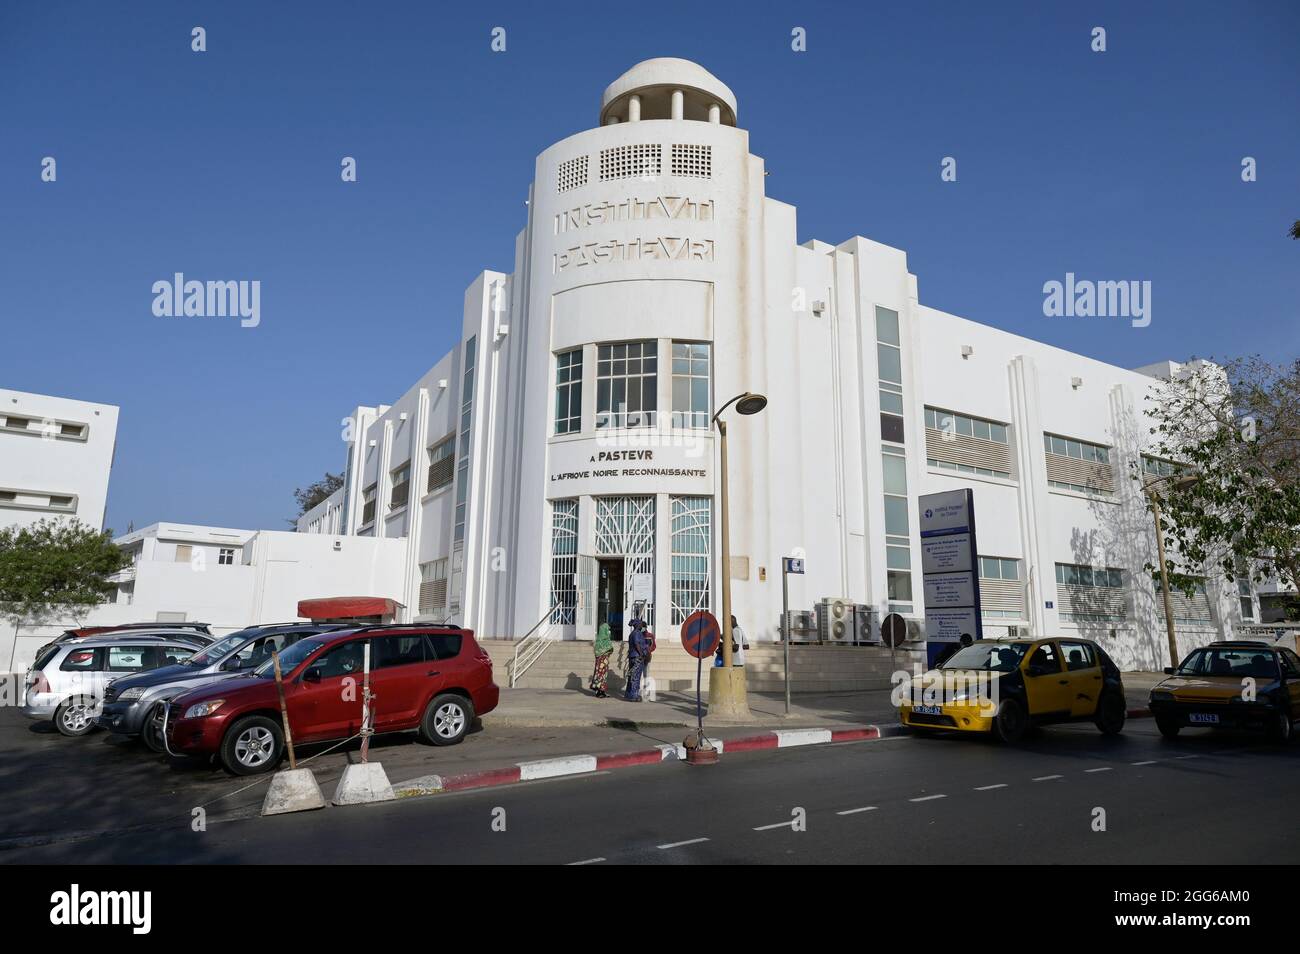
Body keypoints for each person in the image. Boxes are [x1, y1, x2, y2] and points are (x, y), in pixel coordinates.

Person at [625, 617, 654, 701]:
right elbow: (637, 644)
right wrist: (642, 654)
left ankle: (628, 693)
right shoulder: (637, 633)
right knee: (636, 676)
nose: (642, 625)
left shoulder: (632, 633)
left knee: (631, 676)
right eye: (641, 624)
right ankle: (634, 695)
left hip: (632, 656)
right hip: (637, 657)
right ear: (638, 625)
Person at [590, 622, 613, 698]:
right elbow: (597, 652)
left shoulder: (607, 640)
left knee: (604, 676)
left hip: (605, 662)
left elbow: (610, 650)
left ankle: (602, 691)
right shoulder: (599, 641)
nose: (609, 631)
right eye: (607, 629)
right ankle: (598, 691)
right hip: (600, 662)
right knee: (599, 675)